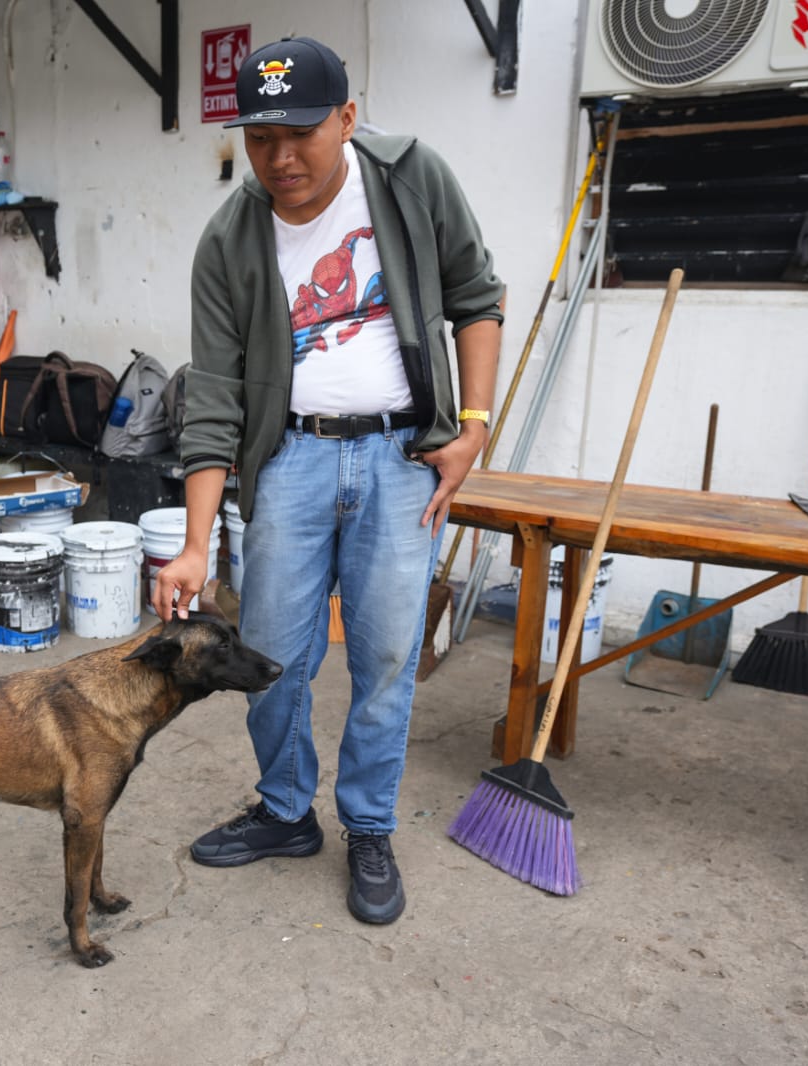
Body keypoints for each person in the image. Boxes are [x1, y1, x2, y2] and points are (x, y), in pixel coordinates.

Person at [153, 36, 504, 926]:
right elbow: (215, 399)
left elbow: (477, 294)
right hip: (290, 464)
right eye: (261, 136)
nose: (280, 157)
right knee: (271, 658)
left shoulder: (411, 178)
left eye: (301, 133)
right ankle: (283, 811)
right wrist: (196, 544)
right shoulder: (231, 236)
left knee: (387, 658)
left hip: (400, 459)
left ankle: (370, 827)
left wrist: (473, 428)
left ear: (347, 117)